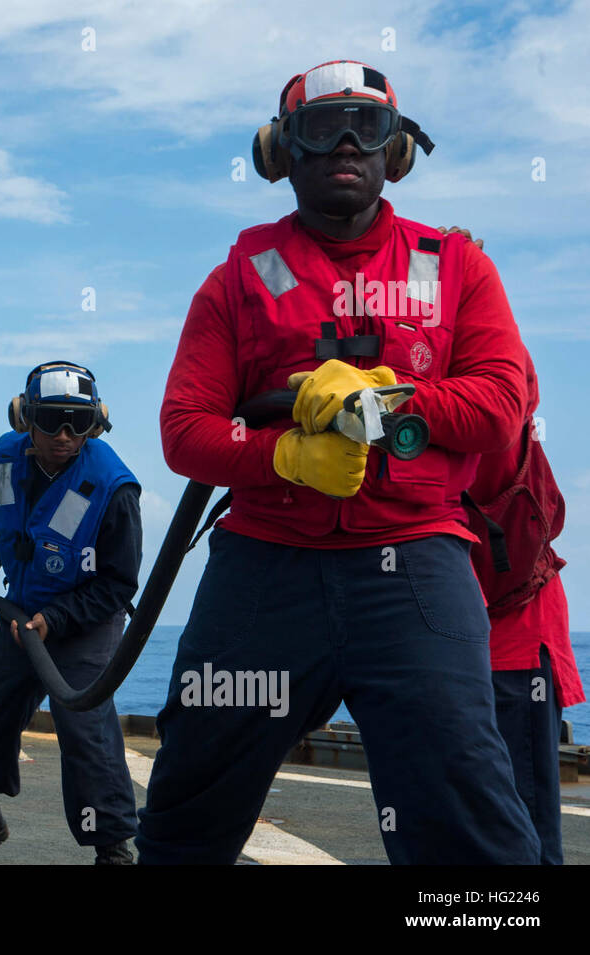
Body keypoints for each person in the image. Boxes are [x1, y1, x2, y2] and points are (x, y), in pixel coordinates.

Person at [136, 60, 541, 864]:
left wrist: (388, 406)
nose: (346, 146)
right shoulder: (235, 283)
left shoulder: (459, 265)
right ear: (284, 152)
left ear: (395, 152)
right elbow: (185, 431)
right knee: (189, 797)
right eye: (322, 130)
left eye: (366, 127)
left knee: (465, 803)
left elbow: (502, 403)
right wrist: (286, 453)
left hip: (418, 568)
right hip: (265, 571)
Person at [0, 362, 142, 865]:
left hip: (85, 621)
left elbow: (119, 582)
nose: (64, 436)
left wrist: (57, 620)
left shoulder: (113, 486)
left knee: (84, 728)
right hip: (19, 611)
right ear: (25, 417)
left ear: (95, 424)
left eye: (77, 424)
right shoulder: (5, 459)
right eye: (52, 421)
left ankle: (113, 850)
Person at [464, 345, 585, 864]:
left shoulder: (486, 362)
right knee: (506, 821)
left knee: (520, 825)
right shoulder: (497, 362)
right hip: (483, 638)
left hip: (507, 641)